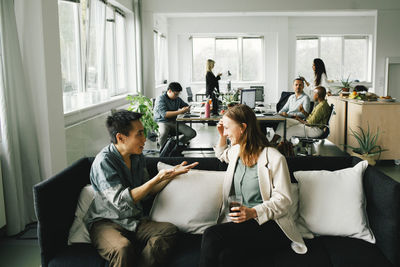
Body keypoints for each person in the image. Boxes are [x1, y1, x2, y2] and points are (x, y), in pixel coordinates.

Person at [84, 110, 198, 267]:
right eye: (139, 134)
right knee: (122, 248)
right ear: (121, 138)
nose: (145, 139)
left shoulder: (137, 157)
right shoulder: (104, 162)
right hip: (106, 222)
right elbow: (120, 201)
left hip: (133, 220)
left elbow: (146, 192)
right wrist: (157, 177)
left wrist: (170, 175)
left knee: (169, 230)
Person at [199, 104, 307, 267]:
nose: (226, 133)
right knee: (227, 257)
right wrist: (221, 135)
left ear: (243, 128)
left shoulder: (274, 158)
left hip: (270, 225)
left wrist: (253, 212)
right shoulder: (236, 151)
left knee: (211, 235)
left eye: (228, 128)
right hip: (244, 225)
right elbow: (221, 154)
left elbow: (284, 200)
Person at [154, 82, 196, 148]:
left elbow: (186, 106)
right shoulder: (160, 99)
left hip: (174, 122)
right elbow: (165, 114)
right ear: (169, 91)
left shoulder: (177, 99)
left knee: (191, 133)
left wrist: (187, 108)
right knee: (163, 133)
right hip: (162, 122)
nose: (177, 96)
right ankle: (163, 151)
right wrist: (180, 111)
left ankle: (176, 146)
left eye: (178, 94)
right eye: (176, 94)